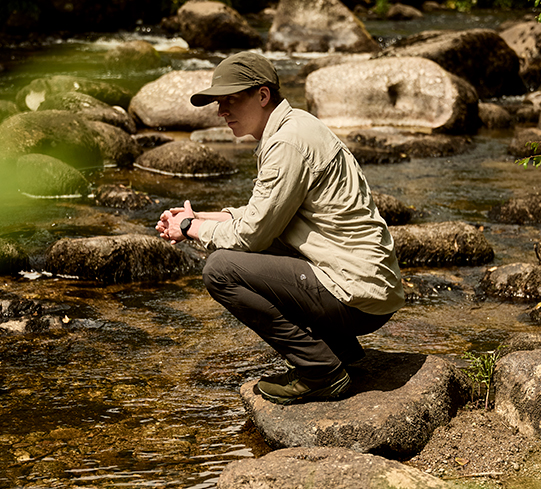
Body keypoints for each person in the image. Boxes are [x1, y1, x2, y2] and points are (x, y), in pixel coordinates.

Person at [157, 51, 404, 405]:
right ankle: (341, 352)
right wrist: (201, 218)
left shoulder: (287, 142)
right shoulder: (294, 126)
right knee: (250, 252)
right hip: (367, 289)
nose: (221, 111)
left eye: (230, 100)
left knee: (221, 269)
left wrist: (189, 228)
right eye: (218, 102)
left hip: (356, 296)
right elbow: (265, 215)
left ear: (262, 95)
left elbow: (253, 234)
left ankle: (320, 370)